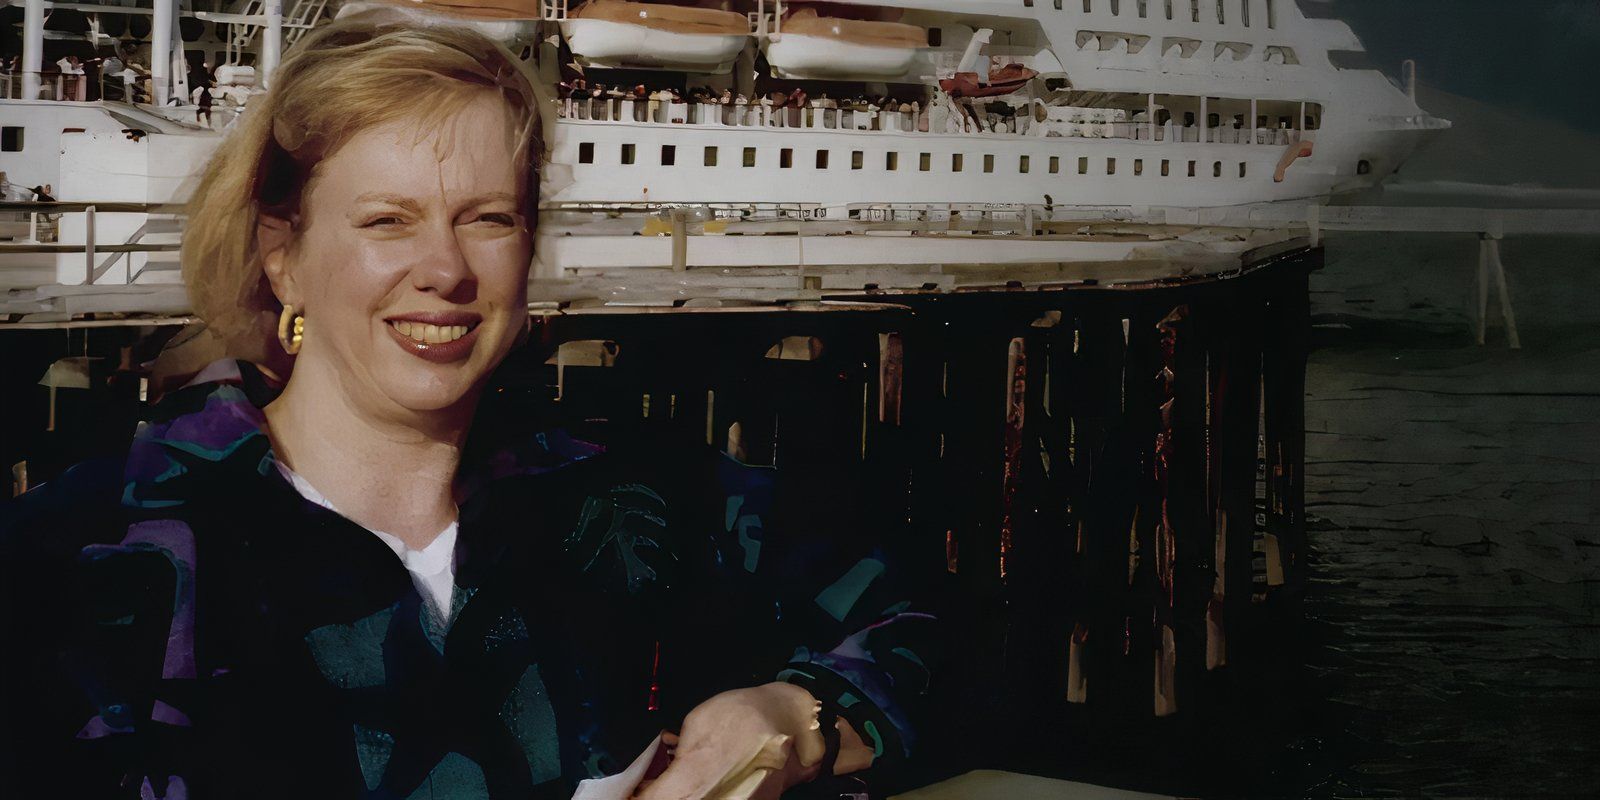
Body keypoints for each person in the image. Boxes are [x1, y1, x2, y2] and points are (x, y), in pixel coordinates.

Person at [0, 9, 934, 800]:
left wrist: (792, 718)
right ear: (282, 256)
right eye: (386, 221)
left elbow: (936, 630)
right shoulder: (88, 557)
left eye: (488, 219)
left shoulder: (633, 501)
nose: (445, 271)